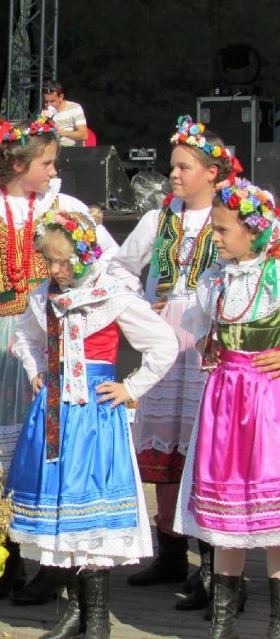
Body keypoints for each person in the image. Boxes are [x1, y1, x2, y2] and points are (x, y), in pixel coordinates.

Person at [0, 112, 118, 602]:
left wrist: (85, 301)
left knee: (48, 446)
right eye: (47, 162)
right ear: (18, 163)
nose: (54, 172)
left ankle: (51, 567)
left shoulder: (64, 207)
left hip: (54, 335)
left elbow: (108, 263)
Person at [7, 209, 177, 639]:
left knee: (91, 512)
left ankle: (96, 617)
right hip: (53, 415)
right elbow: (23, 337)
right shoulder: (44, 294)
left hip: (95, 417)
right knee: (60, 507)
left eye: (66, 261)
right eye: (51, 261)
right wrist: (35, 371)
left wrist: (130, 387)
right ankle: (71, 612)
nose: (59, 271)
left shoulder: (110, 294)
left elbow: (163, 344)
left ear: (85, 255)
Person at [107, 116, 238, 610]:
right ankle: (170, 554)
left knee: (205, 445)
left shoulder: (232, 219)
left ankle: (212, 563)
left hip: (209, 338)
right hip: (165, 338)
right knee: (168, 447)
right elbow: (118, 267)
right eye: (173, 167)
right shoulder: (158, 219)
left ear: (211, 172)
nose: (174, 175)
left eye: (183, 167)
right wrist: (141, 307)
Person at [174, 178, 280, 639]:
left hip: (268, 401)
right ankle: (223, 623)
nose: (214, 238)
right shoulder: (216, 277)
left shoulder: (274, 277)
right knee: (227, 517)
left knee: (273, 518)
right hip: (224, 400)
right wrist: (207, 342)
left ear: (253, 231)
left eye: (221, 231)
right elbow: (198, 324)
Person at [42, 81, 88, 147]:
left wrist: (61, 133)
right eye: (46, 101)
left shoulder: (74, 108)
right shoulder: (44, 111)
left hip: (72, 151)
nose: (48, 104)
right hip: (52, 151)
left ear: (61, 97)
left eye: (52, 101)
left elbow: (84, 135)